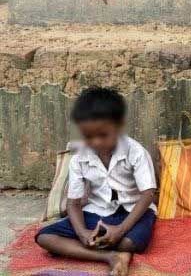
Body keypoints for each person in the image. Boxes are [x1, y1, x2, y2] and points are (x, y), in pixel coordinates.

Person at [35, 87, 157, 276]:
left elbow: (148, 194)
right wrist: (83, 232)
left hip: (134, 211)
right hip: (97, 211)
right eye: (88, 136)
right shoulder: (79, 156)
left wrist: (120, 229)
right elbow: (74, 203)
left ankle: (116, 248)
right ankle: (110, 256)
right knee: (45, 237)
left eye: (103, 135)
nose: (96, 142)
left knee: (130, 242)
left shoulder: (135, 151)